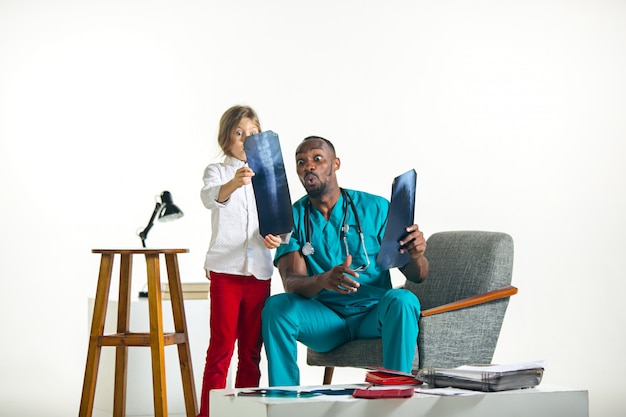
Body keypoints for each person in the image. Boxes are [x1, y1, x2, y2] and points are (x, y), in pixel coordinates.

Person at [261, 136, 429, 387]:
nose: (309, 166)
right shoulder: (292, 218)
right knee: (276, 308)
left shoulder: (377, 208)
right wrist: (323, 279)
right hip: (326, 321)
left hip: (373, 315)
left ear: (335, 164)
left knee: (404, 299)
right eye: (301, 162)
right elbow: (292, 282)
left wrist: (416, 255)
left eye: (317, 158)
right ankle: (284, 402)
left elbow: (418, 275)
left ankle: (395, 393)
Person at [197, 105, 281, 417]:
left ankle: (244, 412)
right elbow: (211, 198)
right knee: (221, 349)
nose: (246, 139)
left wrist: (277, 238)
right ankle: (209, 412)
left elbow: (278, 224)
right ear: (227, 137)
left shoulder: (269, 177)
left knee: (250, 352)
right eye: (239, 133)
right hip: (226, 273)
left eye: (252, 133)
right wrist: (234, 182)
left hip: (259, 273)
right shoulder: (217, 172)